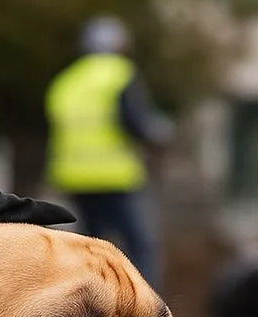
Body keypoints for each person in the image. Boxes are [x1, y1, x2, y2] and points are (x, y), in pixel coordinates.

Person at [45, 15, 172, 285]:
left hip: (74, 176)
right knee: (141, 245)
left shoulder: (66, 82)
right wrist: (159, 135)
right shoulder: (120, 73)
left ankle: (93, 307)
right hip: (115, 176)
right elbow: (135, 123)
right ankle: (148, 312)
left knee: (92, 248)